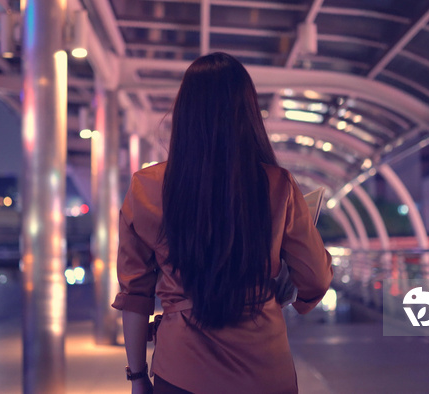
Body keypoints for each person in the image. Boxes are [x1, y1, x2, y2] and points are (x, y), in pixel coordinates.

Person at [112, 52, 332, 394]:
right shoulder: (277, 185)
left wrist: (138, 377)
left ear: (184, 114)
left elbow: (134, 295)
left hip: (181, 370)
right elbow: (315, 278)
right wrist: (287, 298)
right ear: (247, 116)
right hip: (264, 369)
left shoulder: (147, 187)